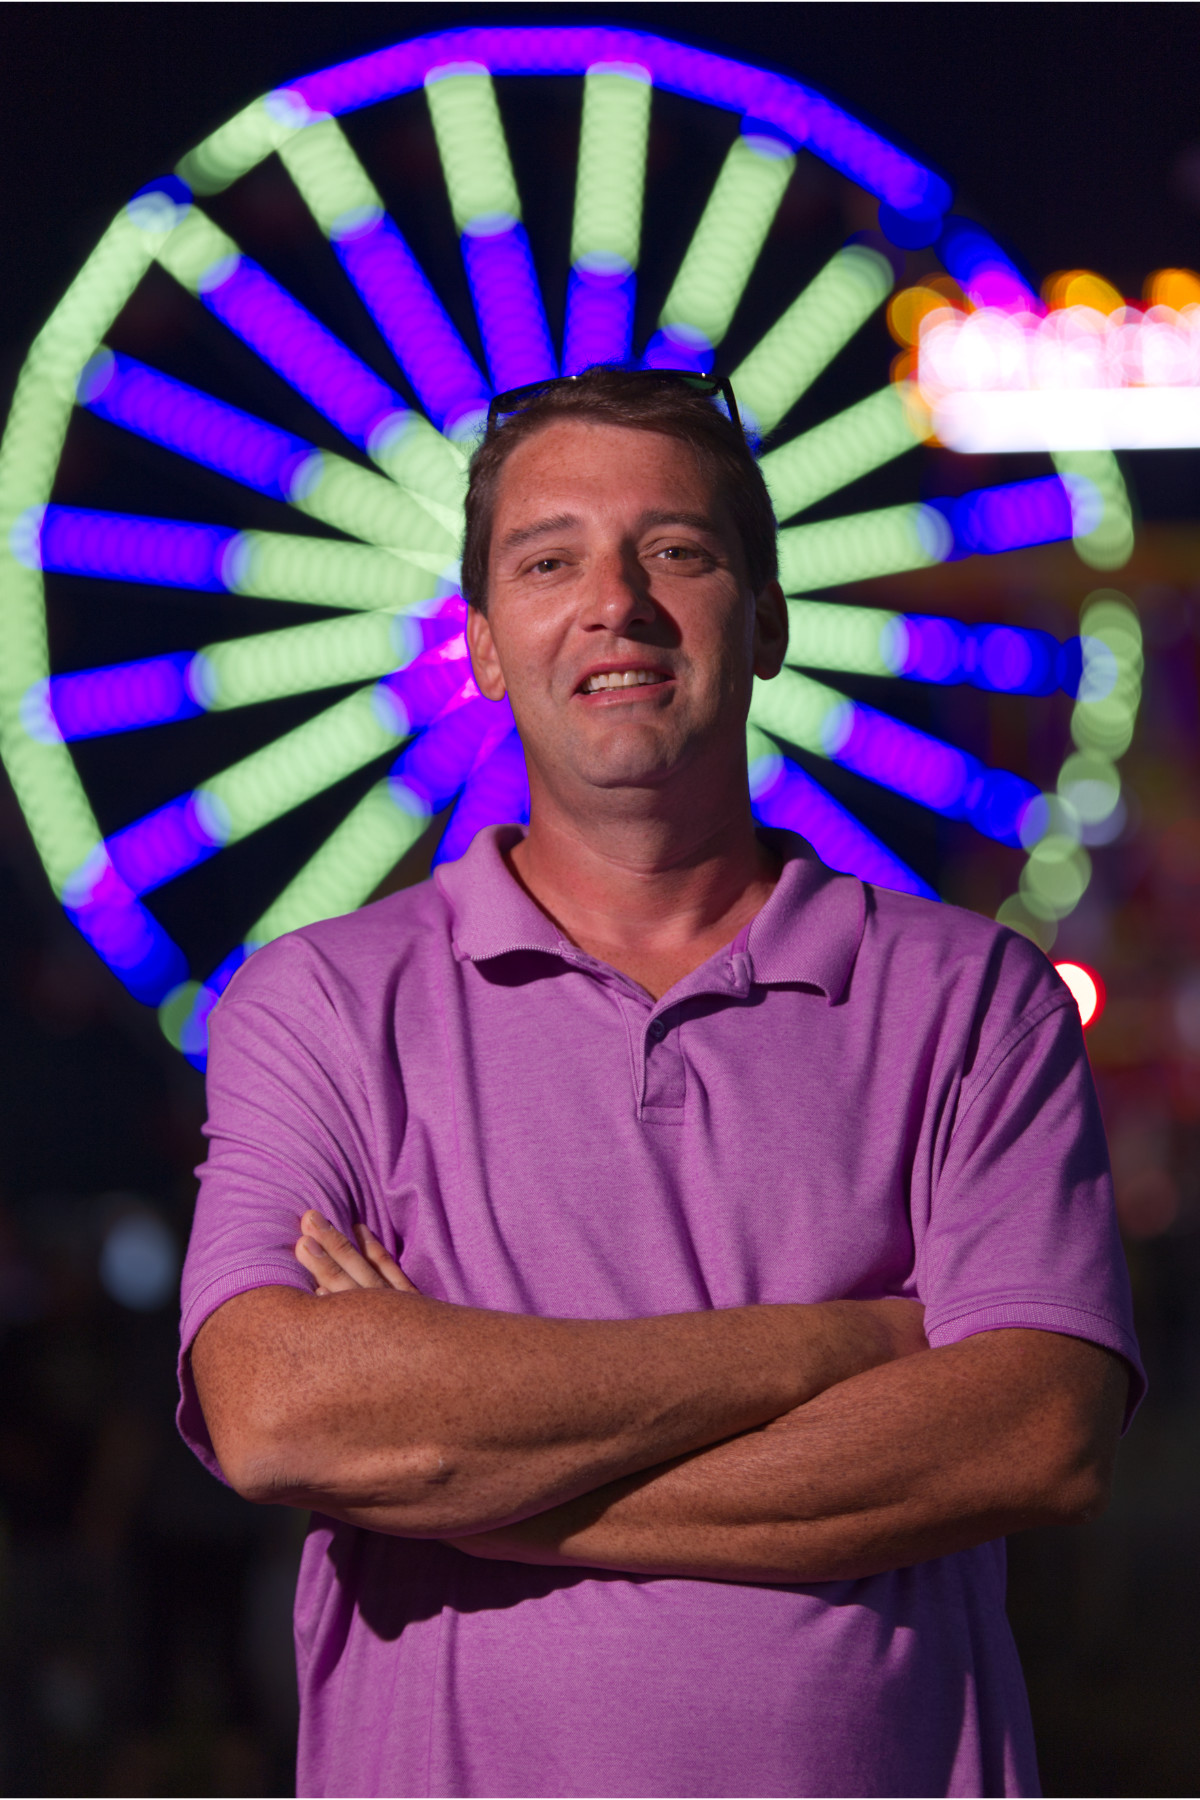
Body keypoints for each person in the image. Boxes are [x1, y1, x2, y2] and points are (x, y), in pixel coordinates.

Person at [180, 367, 1142, 1799]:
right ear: (490, 644)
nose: (614, 602)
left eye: (676, 551)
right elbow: (277, 1411)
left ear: (767, 620)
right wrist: (837, 1349)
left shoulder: (971, 1000)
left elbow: (1035, 1433)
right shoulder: (322, 1003)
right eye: (547, 559)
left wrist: (472, 1478)